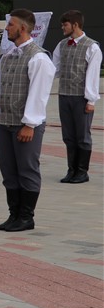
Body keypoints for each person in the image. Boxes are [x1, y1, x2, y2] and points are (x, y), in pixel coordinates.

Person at [0, 9, 56, 232]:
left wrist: (30, 124)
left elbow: (38, 94)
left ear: (23, 28)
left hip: (26, 124)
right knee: (8, 170)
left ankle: (26, 217)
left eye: (10, 25)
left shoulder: (39, 58)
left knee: (26, 169)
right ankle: (13, 214)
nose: (6, 28)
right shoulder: (8, 56)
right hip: (5, 121)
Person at [51, 10, 101, 184]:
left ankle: (82, 171)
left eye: (65, 25)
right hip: (64, 95)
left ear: (75, 25)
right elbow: (54, 69)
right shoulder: (61, 45)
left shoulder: (92, 47)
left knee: (82, 136)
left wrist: (91, 100)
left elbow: (93, 75)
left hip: (81, 98)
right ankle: (71, 170)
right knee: (68, 136)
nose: (62, 28)